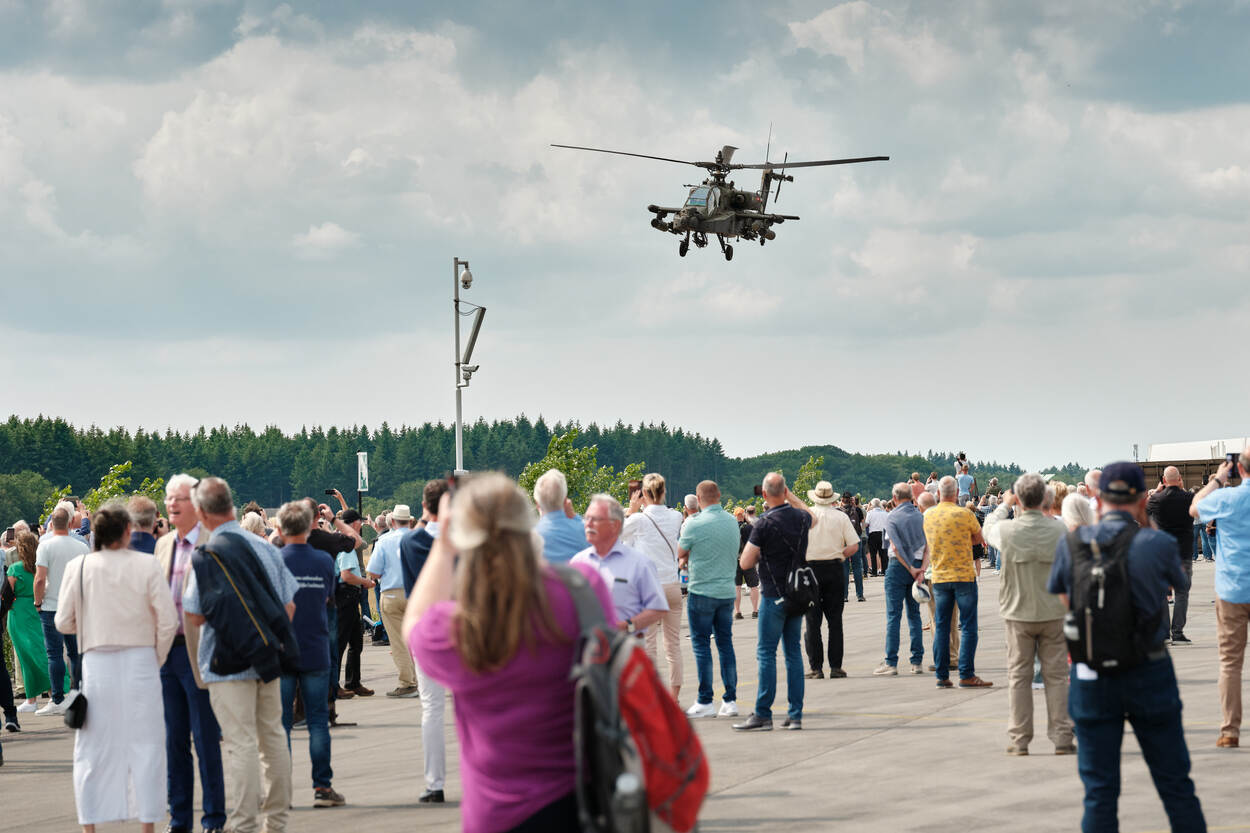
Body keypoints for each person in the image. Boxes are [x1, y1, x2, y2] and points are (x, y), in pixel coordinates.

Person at [404, 472, 617, 832]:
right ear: (528, 521)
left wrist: (444, 543)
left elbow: (414, 625)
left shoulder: (459, 628)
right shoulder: (582, 588)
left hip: (498, 814)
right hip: (583, 802)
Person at [1050, 462, 1203, 832]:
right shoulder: (1156, 543)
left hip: (1092, 672)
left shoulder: (1073, 543)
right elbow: (1176, 584)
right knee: (1175, 784)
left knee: (1099, 791)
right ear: (1141, 498)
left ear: (1099, 498)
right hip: (1148, 668)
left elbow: (1066, 600)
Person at [182, 477, 300, 833]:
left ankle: (244, 824)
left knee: (241, 743)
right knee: (273, 738)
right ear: (231, 506)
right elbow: (289, 605)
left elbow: (194, 615)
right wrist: (263, 637)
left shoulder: (207, 554)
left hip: (226, 662)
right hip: (267, 658)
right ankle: (276, 822)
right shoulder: (266, 547)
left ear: (202, 512)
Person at [55, 499, 178, 833]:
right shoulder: (147, 565)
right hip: (141, 660)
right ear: (127, 530)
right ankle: (148, 826)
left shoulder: (80, 566)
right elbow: (168, 622)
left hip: (97, 662)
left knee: (92, 749)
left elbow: (63, 621)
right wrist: (155, 657)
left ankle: (90, 827)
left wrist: (90, 625)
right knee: (148, 746)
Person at [154, 473, 227, 833]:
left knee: (206, 740)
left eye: (178, 498)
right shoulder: (163, 545)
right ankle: (179, 819)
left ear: (196, 505)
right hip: (166, 655)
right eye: (168, 498)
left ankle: (213, 818)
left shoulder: (213, 542)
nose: (171, 504)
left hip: (201, 653)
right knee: (174, 742)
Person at [982, 473, 1073, 755]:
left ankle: (1020, 739)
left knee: (1019, 677)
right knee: (1057, 676)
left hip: (1018, 613)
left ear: (1019, 499)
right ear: (1045, 498)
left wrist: (1005, 504)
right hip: (1053, 612)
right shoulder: (1061, 530)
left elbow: (988, 526)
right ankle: (1062, 737)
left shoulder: (1007, 531)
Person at [274, 502, 345, 807]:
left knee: (281, 723)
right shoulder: (323, 561)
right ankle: (322, 787)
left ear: (280, 528)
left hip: (283, 648)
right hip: (315, 646)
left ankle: (281, 791)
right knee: (317, 720)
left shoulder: (275, 559)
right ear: (309, 525)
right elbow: (328, 596)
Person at [734, 473, 812, 731]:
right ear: (785, 491)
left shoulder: (764, 523)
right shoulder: (801, 518)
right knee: (793, 653)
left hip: (773, 592)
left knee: (766, 653)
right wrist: (791, 496)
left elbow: (745, 562)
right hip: (796, 591)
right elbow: (813, 516)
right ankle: (795, 713)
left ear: (765, 495)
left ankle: (763, 712)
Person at [1191, 448, 1250, 749]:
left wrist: (1217, 479)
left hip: (1232, 588)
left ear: (1239, 469)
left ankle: (1230, 730)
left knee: (1230, 663)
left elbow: (1195, 508)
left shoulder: (1228, 498)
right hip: (1233, 587)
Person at [398, 479, 452, 804]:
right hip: (459, 625)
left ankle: (435, 782)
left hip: (425, 628)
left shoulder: (410, 542)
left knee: (431, 707)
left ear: (423, 506)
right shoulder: (462, 541)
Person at [676, 480, 740, 719]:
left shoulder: (694, 523)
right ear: (719, 495)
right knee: (725, 644)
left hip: (702, 589)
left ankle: (705, 700)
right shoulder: (732, 521)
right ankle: (730, 700)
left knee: (702, 645)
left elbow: (681, 552)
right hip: (726, 591)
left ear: (698, 498)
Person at [622, 473, 684, 700]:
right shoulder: (676, 516)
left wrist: (631, 509)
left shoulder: (638, 520)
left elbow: (618, 535)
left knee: (648, 645)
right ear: (664, 491)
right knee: (673, 645)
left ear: (644, 494)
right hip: (672, 585)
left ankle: (652, 696)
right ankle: (674, 697)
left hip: (648, 589)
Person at [925, 476, 991, 689]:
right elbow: (979, 538)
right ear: (956, 494)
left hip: (939, 576)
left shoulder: (929, 515)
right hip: (963, 575)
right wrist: (963, 540)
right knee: (968, 626)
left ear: (938, 494)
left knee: (942, 625)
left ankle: (942, 675)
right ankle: (966, 674)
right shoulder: (965, 514)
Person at [571, 495, 669, 636]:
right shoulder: (578, 562)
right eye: (587, 518)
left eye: (595, 519)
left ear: (615, 525)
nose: (588, 524)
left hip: (626, 644)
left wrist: (627, 626)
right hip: (586, 646)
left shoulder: (640, 564)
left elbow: (658, 608)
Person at [799, 482, 860, 680]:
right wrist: (839, 554)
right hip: (834, 568)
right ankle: (836, 666)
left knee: (812, 621)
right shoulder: (840, 517)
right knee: (835, 621)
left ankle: (816, 667)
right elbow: (854, 545)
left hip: (811, 570)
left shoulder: (805, 516)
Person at [33, 505, 89, 715]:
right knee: (75, 653)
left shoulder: (45, 546)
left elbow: (40, 579)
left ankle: (57, 698)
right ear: (70, 522)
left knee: (54, 654)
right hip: (75, 606)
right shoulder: (82, 547)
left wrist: (38, 602)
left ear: (50, 524)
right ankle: (77, 693)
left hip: (51, 606)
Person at [874, 483, 929, 677]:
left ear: (894, 498)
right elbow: (928, 547)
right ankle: (917, 661)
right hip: (918, 564)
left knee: (893, 615)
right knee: (914, 615)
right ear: (912, 497)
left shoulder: (892, 517)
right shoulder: (921, 517)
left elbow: (896, 548)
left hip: (898, 566)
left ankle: (891, 662)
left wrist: (910, 567)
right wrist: (921, 569)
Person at [366, 504, 419, 698]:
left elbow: (373, 572)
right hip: (416, 593)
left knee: (398, 642)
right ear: (410, 520)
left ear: (393, 521)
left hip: (391, 594)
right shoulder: (418, 539)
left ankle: (408, 682)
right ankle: (422, 679)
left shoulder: (384, 541)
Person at [7, 530, 59, 714]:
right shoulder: (42, 567)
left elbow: (7, 594)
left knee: (26, 656)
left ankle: (34, 698)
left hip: (19, 613)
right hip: (40, 608)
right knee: (41, 651)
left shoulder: (15, 569)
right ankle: (50, 694)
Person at [1148, 466, 1196, 644]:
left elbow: (1141, 513)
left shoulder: (1157, 499)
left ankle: (1164, 634)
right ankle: (1178, 632)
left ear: (1163, 480)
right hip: (1183, 552)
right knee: (1182, 592)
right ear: (1180, 478)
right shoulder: (1189, 498)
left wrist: (1156, 492)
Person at [532, 469, 587, 563]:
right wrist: (575, 517)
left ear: (537, 504)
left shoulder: (529, 538)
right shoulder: (585, 532)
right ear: (565, 501)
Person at [839, 492, 866, 603]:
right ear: (851, 500)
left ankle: (844, 595)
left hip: (843, 541)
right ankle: (860, 595)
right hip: (855, 539)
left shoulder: (838, 511)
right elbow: (863, 525)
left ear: (842, 499)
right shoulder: (858, 510)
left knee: (844, 568)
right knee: (857, 567)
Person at [733, 508, 760, 619]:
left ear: (735, 516)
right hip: (748, 559)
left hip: (735, 560)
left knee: (737, 587)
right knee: (753, 586)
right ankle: (755, 610)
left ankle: (738, 611)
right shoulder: (749, 527)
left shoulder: (732, 528)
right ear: (743, 515)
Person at [864, 499, 890, 577]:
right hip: (883, 533)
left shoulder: (870, 513)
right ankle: (884, 570)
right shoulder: (885, 513)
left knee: (873, 554)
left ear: (872, 505)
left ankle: (874, 572)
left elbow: (866, 524)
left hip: (873, 534)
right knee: (883, 554)